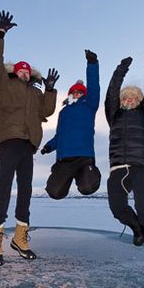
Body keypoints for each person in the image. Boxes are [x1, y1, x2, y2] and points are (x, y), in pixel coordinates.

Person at [0, 11, 58, 267]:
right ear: (15, 73)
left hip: (28, 145)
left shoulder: (36, 94)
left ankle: (20, 237)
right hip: (8, 140)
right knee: (4, 186)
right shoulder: (5, 85)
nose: (25, 74)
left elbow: (47, 112)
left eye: (28, 72)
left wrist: (49, 90)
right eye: (21, 71)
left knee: (26, 190)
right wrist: (0, 33)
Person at [105, 52, 144, 263]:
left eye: (134, 97)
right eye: (126, 97)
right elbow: (111, 92)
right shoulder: (114, 114)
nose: (129, 99)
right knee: (117, 207)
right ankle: (137, 230)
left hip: (143, 165)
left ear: (139, 101)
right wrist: (121, 70)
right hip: (118, 166)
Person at [41, 49, 101, 199]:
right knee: (54, 192)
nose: (76, 94)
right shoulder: (64, 112)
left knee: (88, 187)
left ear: (84, 95)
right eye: (73, 92)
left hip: (84, 156)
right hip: (64, 157)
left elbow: (94, 86)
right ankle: (64, 179)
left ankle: (89, 172)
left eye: (79, 92)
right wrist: (49, 146)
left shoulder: (89, 105)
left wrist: (92, 64)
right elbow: (60, 135)